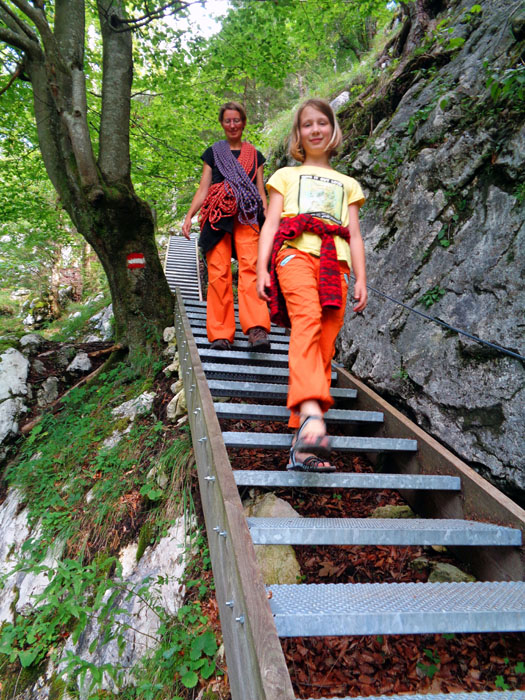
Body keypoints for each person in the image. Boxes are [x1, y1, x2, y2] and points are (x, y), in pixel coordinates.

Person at [256, 98, 367, 472]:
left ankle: (302, 445)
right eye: (307, 124)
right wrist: (261, 269)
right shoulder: (285, 175)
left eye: (322, 122)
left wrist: (362, 278)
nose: (316, 129)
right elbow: (270, 224)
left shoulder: (349, 184)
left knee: (325, 343)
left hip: (335, 265)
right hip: (294, 254)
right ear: (298, 134)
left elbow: (354, 234)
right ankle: (312, 414)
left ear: (333, 130)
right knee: (307, 319)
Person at [182, 101, 271, 351]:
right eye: (227, 120)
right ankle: (220, 334)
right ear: (222, 124)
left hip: (247, 215)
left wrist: (265, 222)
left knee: (251, 269)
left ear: (243, 122)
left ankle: (257, 329)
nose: (232, 125)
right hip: (217, 215)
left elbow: (260, 191)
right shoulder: (213, 152)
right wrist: (189, 216)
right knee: (218, 272)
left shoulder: (255, 155)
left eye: (237, 120)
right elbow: (203, 188)